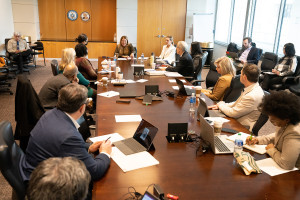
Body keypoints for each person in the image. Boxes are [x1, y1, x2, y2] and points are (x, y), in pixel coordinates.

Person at [20, 84, 112, 198]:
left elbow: (61, 145)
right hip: (45, 186)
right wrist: (105, 153)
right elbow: (95, 171)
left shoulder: (50, 114)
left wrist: (88, 147)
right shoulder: (68, 135)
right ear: (82, 108)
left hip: (34, 170)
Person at [246, 91, 300, 170]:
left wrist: (271, 150)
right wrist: (257, 140)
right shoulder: (284, 121)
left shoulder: (294, 132)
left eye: (273, 120)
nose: (272, 122)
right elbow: (278, 136)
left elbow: (286, 164)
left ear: (286, 119)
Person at [208, 64, 264, 130]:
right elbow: (238, 103)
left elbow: (233, 113)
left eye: (241, 73)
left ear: (244, 77)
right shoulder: (253, 88)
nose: (239, 75)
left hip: (241, 127)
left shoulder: (252, 96)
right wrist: (222, 105)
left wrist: (220, 105)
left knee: (209, 126)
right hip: (235, 121)